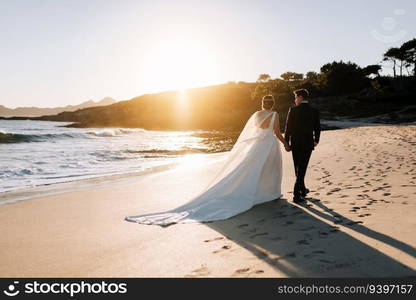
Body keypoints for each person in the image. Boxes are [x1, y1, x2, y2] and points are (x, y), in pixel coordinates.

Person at [125, 95, 289, 226]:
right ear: (272, 104)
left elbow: (256, 131)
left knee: (250, 171)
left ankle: (261, 193)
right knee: (271, 169)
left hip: (256, 146)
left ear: (262, 103)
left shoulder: (257, 115)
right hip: (269, 146)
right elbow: (276, 133)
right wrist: (286, 144)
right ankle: (270, 193)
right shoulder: (274, 115)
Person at [284, 89, 321, 203]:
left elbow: (288, 128)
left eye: (295, 97)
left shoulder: (293, 110)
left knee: (298, 168)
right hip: (308, 143)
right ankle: (302, 190)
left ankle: (296, 194)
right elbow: (317, 128)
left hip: (295, 143)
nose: (295, 100)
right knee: (302, 168)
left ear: (300, 97)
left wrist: (286, 142)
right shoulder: (314, 111)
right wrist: (316, 140)